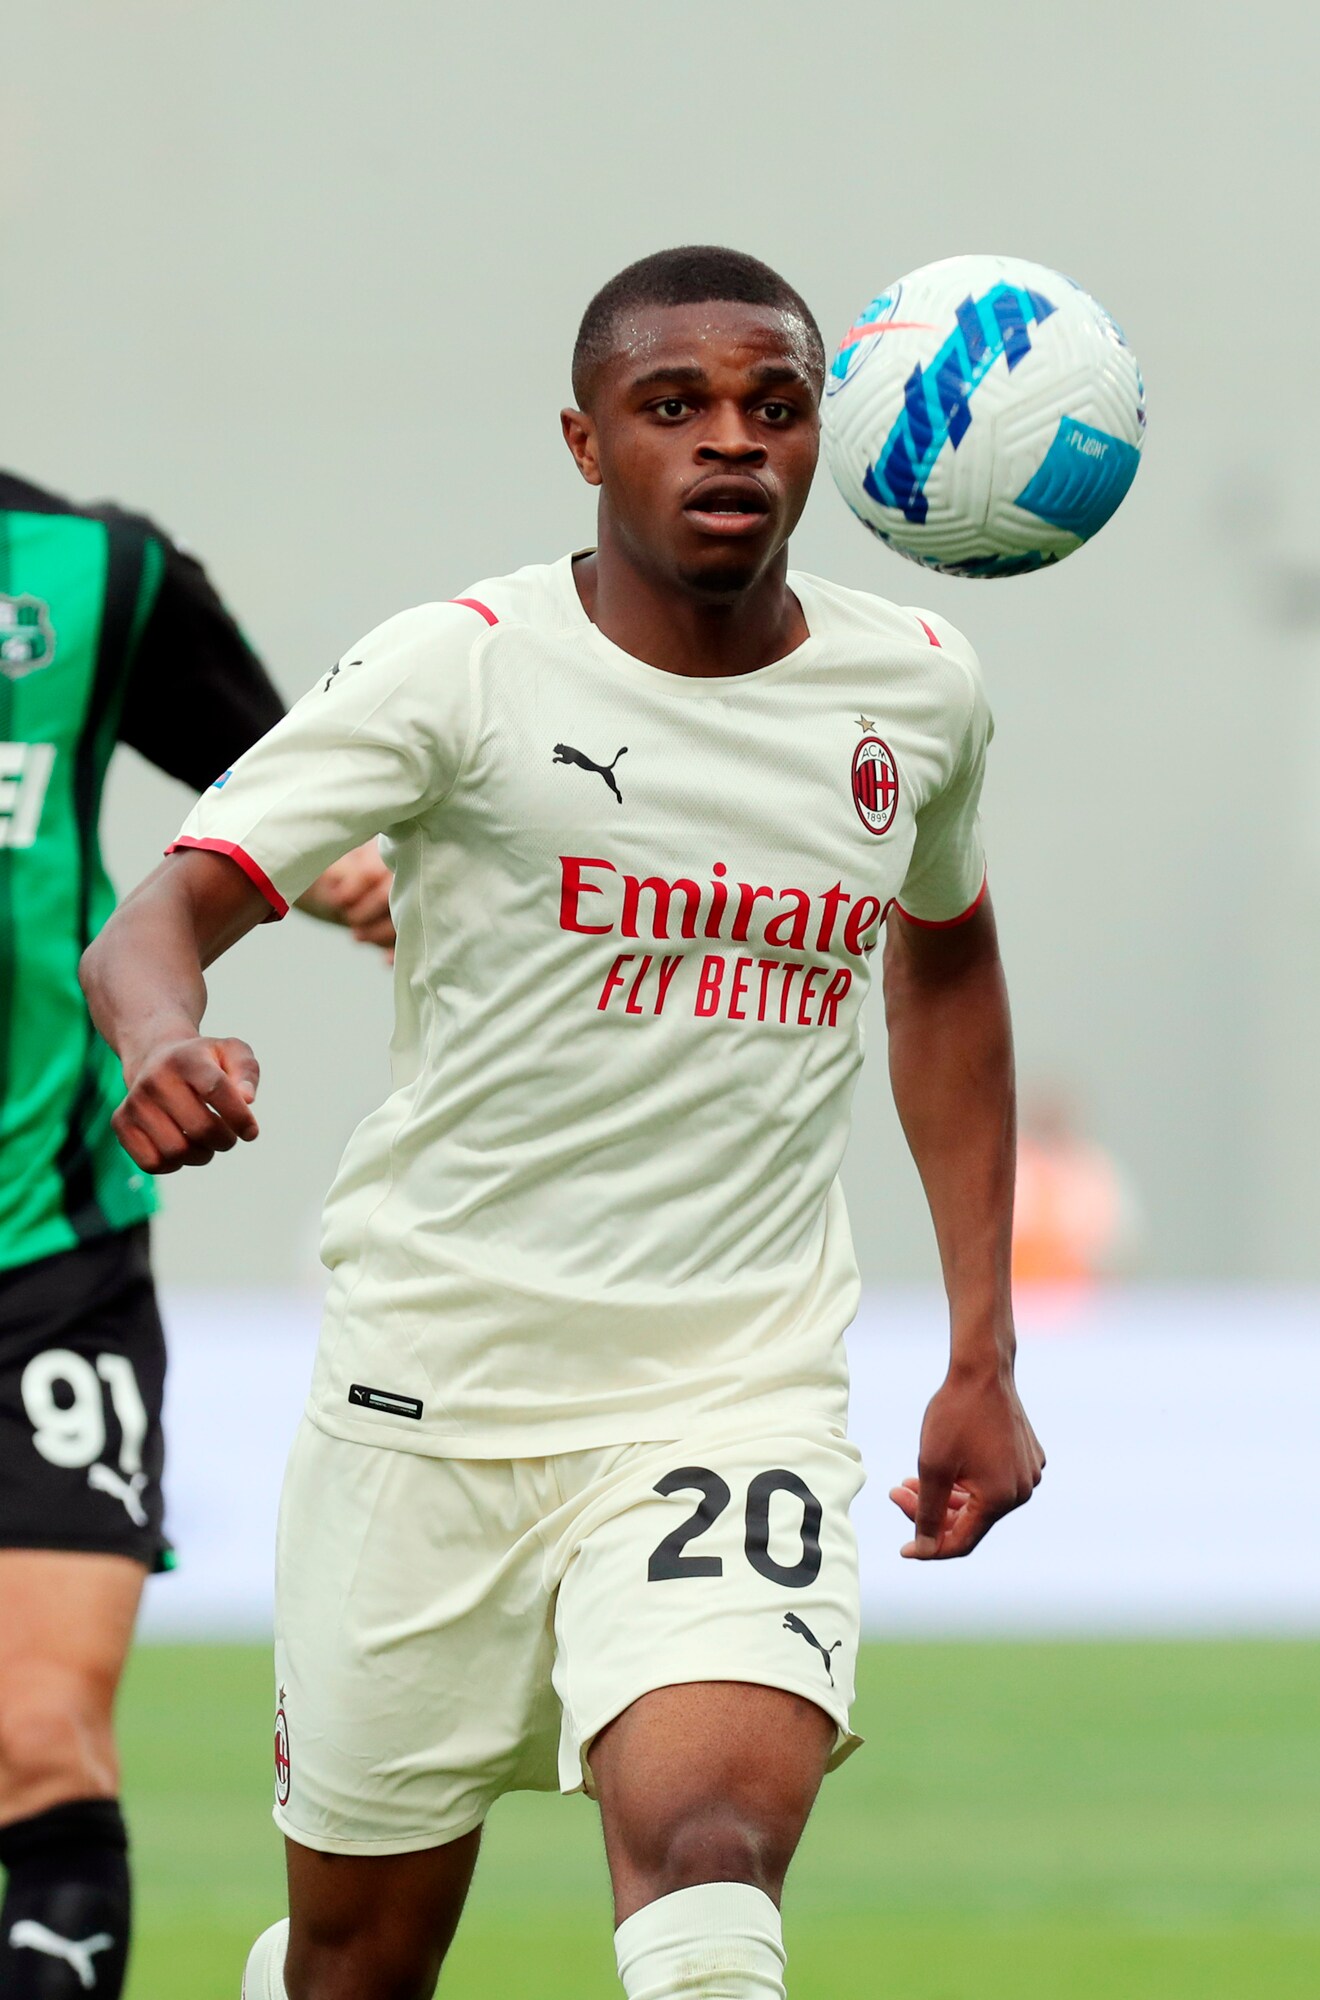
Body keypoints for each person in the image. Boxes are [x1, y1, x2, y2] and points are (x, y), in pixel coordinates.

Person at [81, 246, 1045, 2000]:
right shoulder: (456, 671)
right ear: (587, 443)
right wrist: (162, 1037)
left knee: (709, 1861)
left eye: (774, 405)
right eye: (675, 405)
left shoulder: (916, 686)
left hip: (728, 1394)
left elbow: (949, 965)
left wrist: (983, 1347)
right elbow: (158, 917)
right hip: (426, 1402)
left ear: (825, 438)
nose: (731, 439)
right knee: (360, 1964)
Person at [0, 470, 393, 2000]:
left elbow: (273, 784)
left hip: (45, 1248)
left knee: (41, 1743)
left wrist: (349, 869)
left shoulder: (93, 572)